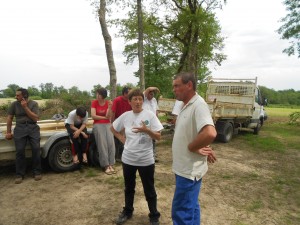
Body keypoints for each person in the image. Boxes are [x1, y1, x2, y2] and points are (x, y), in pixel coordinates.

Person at [111, 89, 163, 225]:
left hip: (146, 159)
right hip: (128, 159)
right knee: (129, 187)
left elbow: (158, 137)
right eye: (135, 99)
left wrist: (147, 130)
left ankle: (154, 215)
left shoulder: (150, 115)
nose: (138, 102)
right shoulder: (126, 116)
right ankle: (127, 211)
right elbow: (113, 128)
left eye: (140, 99)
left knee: (149, 188)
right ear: (129, 101)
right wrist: (123, 139)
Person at [171, 72, 217, 225]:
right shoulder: (185, 104)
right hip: (184, 168)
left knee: (181, 212)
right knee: (191, 208)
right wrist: (199, 146)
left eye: (177, 86)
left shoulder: (198, 104)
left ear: (189, 85)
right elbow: (193, 132)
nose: (174, 89)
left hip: (189, 172)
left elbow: (209, 132)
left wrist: (192, 146)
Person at [5, 88, 42, 184]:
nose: (16, 97)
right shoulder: (14, 104)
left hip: (32, 127)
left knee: (36, 148)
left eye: (18, 95)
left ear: (24, 96)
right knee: (20, 151)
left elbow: (36, 118)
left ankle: (37, 172)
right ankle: (19, 174)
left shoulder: (34, 104)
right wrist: (8, 132)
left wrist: (25, 107)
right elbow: (9, 118)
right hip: (20, 128)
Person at [91, 88, 116, 175]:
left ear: (103, 96)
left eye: (99, 94)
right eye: (97, 94)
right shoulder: (94, 102)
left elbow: (108, 116)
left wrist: (109, 107)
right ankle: (105, 165)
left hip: (107, 124)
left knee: (111, 143)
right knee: (102, 144)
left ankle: (111, 164)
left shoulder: (108, 103)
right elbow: (93, 116)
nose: (97, 96)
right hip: (97, 125)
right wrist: (104, 118)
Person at [111, 86, 132, 160]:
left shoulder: (130, 101)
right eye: (129, 93)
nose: (130, 94)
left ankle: (122, 155)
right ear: (124, 93)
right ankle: (117, 156)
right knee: (117, 138)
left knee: (124, 139)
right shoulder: (117, 100)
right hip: (118, 120)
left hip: (126, 122)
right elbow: (113, 112)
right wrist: (112, 123)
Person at [142, 86, 160, 162]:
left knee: (153, 139)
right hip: (145, 122)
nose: (152, 95)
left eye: (153, 94)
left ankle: (153, 155)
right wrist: (155, 88)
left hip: (153, 122)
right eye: (150, 94)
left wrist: (157, 120)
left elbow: (156, 111)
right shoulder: (143, 99)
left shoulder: (154, 100)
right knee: (144, 138)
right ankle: (144, 155)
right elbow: (148, 90)